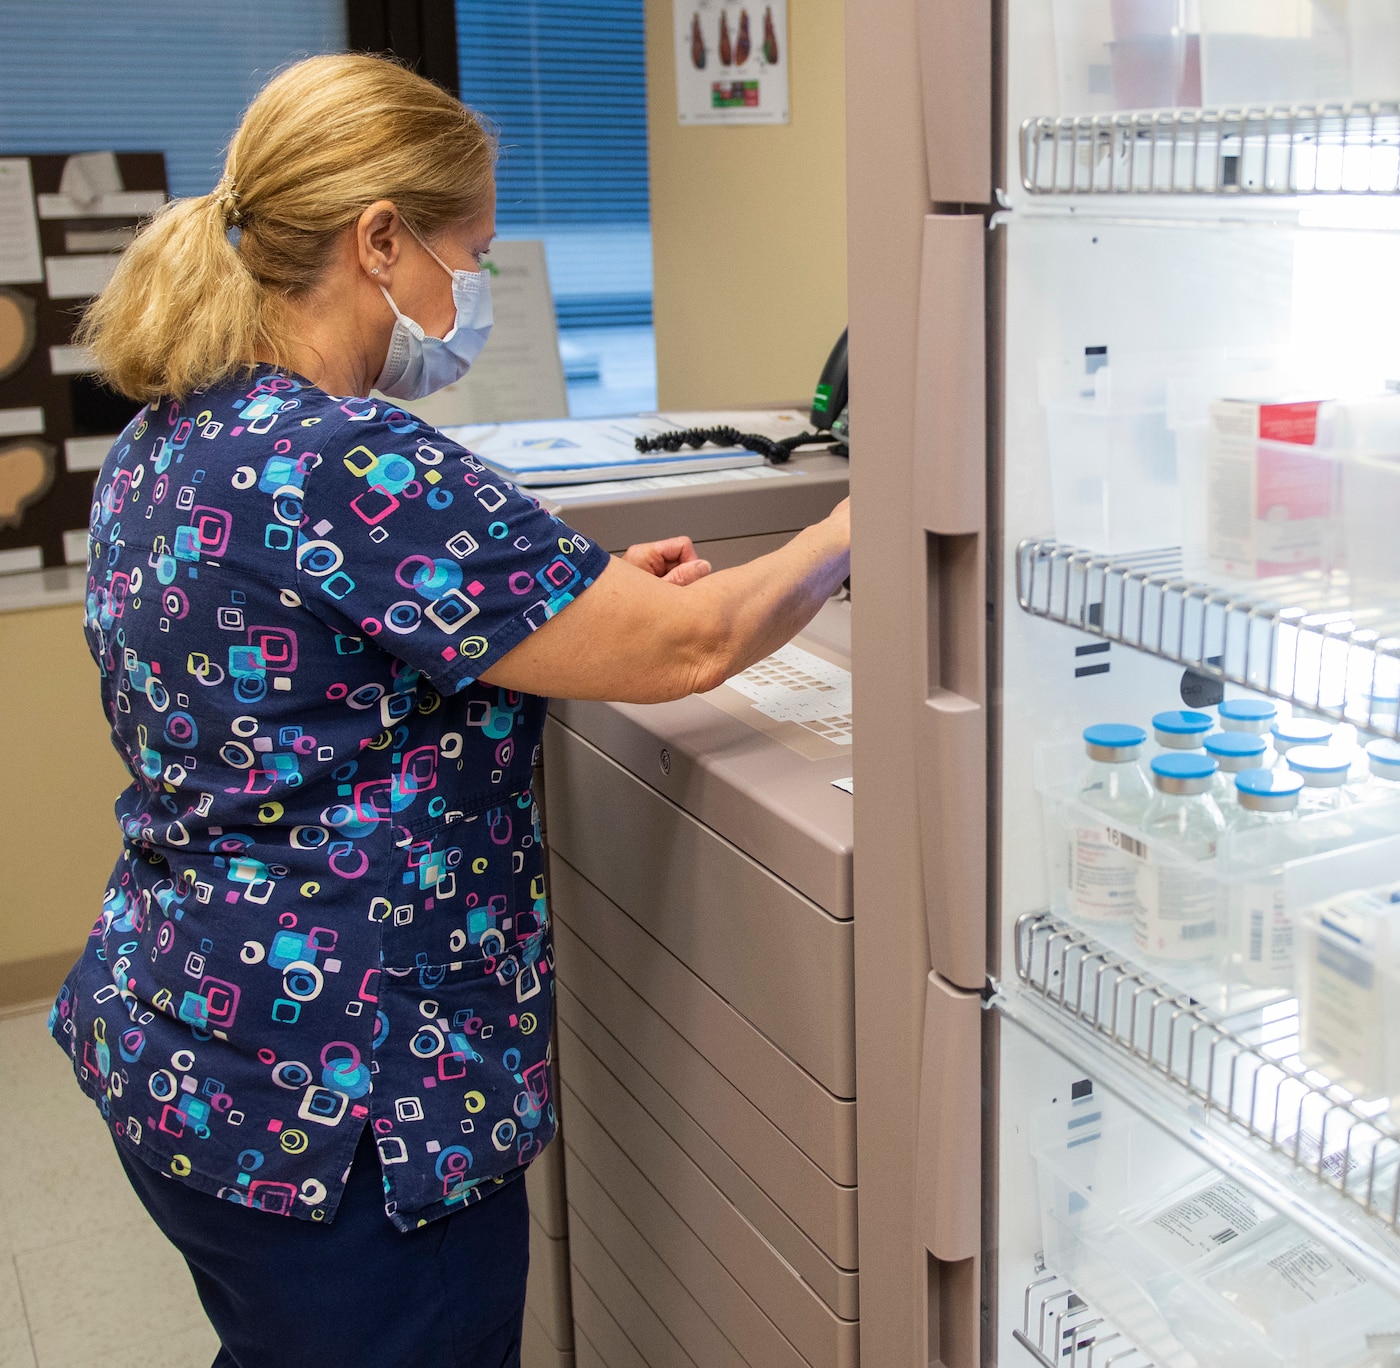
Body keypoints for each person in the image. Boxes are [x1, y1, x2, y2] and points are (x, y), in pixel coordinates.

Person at [49, 53, 850, 1368]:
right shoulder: (342, 456)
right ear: (379, 242)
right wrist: (856, 528)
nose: (468, 291)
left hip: (185, 1044)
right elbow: (696, 643)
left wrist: (567, 606)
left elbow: (314, 662)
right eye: (465, 253)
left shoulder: (173, 432)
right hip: (347, 1114)